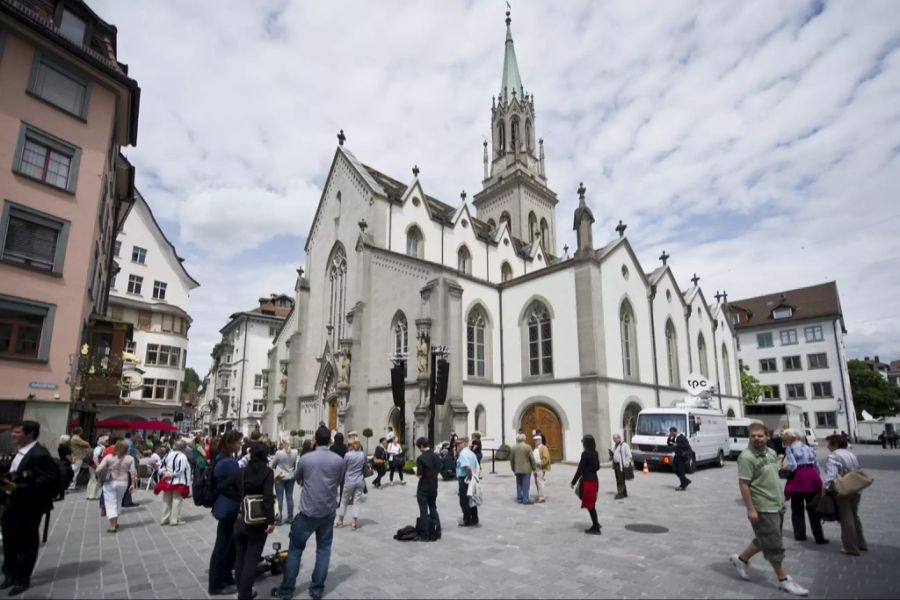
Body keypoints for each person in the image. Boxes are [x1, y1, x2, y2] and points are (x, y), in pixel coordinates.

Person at [729, 422, 808, 596]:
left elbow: (773, 478)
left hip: (776, 504)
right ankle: (784, 580)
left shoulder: (771, 453)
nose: (756, 438)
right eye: (753, 436)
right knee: (774, 545)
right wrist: (750, 509)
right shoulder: (746, 457)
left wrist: (781, 501)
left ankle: (741, 560)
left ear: (767, 436)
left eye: (760, 435)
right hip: (762, 506)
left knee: (766, 537)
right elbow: (743, 484)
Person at [272, 426, 343, 600]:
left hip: (308, 512)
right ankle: (317, 589)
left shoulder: (306, 458)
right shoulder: (338, 460)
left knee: (295, 549)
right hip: (327, 511)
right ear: (330, 441)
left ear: (315, 440)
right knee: (324, 550)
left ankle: (287, 590)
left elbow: (298, 478)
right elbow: (339, 481)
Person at [0, 421, 58, 596]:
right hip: (12, 502)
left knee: (26, 541)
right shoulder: (19, 453)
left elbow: (48, 481)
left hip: (29, 505)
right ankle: (9, 573)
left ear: (30, 433)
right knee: (9, 538)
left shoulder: (40, 454)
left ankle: (22, 578)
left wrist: (18, 488)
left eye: (17, 432)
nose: (13, 435)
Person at [223, 443, 275, 600]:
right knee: (251, 560)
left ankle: (242, 590)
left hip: (240, 519)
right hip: (257, 521)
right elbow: (267, 499)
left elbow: (223, 486)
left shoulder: (242, 472)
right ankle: (244, 595)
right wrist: (271, 521)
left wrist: (238, 496)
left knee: (240, 558)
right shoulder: (267, 472)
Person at [209, 431, 243, 595]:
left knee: (229, 545)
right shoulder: (228, 463)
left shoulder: (222, 458)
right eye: (238, 442)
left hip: (227, 507)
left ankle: (226, 576)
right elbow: (238, 484)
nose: (240, 445)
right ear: (230, 443)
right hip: (228, 507)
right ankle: (216, 584)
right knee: (222, 547)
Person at [822, 434, 868, 556]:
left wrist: (826, 490)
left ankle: (851, 547)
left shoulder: (833, 457)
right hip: (856, 488)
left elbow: (831, 477)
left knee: (846, 518)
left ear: (835, 444)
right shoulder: (850, 454)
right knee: (854, 515)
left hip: (843, 490)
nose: (827, 446)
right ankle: (861, 542)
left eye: (829, 443)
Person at [781, 429, 827, 544]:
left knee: (797, 508)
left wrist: (782, 468)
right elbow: (816, 465)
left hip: (799, 478)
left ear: (790, 438)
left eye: (785, 438)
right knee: (813, 508)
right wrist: (817, 478)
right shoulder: (808, 447)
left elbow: (792, 465)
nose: (784, 440)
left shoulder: (790, 448)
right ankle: (819, 537)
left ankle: (800, 534)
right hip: (812, 476)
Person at [95, 440, 137, 533]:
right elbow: (133, 472)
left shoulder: (109, 457)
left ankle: (112, 526)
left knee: (110, 503)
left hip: (110, 482)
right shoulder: (130, 458)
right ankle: (115, 522)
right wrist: (133, 484)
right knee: (118, 501)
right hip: (123, 483)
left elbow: (98, 469)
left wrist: (104, 472)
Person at [155, 439, 192, 526]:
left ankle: (164, 519)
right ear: (183, 447)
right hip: (178, 481)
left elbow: (161, 466)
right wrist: (171, 475)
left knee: (166, 500)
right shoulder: (182, 456)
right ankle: (174, 520)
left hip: (167, 480)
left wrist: (165, 473)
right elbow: (180, 470)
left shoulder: (168, 455)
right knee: (176, 500)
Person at [571, 434, 601, 534]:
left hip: (588, 482)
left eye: (583, 442)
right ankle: (596, 523)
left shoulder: (585, 454)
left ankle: (596, 527)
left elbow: (580, 469)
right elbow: (598, 467)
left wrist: (573, 482)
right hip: (595, 481)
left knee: (590, 505)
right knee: (591, 504)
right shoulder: (595, 453)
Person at [335, 437, 367, 530]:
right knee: (356, 501)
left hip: (349, 480)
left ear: (351, 445)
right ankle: (354, 522)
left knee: (344, 500)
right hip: (360, 480)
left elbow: (343, 468)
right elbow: (365, 465)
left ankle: (340, 521)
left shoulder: (348, 455)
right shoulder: (363, 454)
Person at [415, 437, 442, 538]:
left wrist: (416, 472)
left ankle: (425, 534)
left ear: (422, 446)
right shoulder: (436, 456)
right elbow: (439, 469)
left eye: (419, 448)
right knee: (433, 508)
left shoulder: (421, 458)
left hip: (423, 487)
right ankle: (437, 530)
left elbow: (419, 475)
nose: (420, 450)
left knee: (423, 511)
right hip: (434, 486)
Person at [270, 440, 299, 525]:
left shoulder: (279, 453)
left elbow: (273, 464)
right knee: (289, 497)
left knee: (279, 498)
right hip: (291, 476)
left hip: (280, 476)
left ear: (282, 443)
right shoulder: (295, 452)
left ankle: (278, 519)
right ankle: (290, 518)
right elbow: (295, 464)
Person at [455, 437, 479, 527]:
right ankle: (475, 518)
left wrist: (468, 478)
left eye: (459, 443)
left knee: (464, 501)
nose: (457, 445)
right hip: (471, 477)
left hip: (464, 478)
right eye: (456, 443)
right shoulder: (471, 453)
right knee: (471, 499)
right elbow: (477, 465)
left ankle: (467, 520)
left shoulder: (463, 454)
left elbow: (467, 467)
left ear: (464, 443)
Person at [510, 432, 536, 504]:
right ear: (524, 439)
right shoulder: (528, 447)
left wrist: (513, 468)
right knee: (526, 485)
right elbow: (532, 458)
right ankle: (525, 499)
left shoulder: (514, 447)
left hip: (517, 468)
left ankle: (519, 498)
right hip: (526, 469)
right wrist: (534, 467)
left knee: (519, 484)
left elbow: (511, 460)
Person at [667, 426, 692, 490]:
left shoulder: (682, 438)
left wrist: (678, 445)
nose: (670, 433)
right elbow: (669, 444)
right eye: (670, 432)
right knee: (674, 468)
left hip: (682, 456)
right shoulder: (674, 437)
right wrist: (669, 438)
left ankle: (683, 485)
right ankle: (685, 481)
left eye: (671, 432)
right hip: (677, 455)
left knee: (681, 471)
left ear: (674, 431)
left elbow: (687, 447)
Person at [610, 433, 633, 500]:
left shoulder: (624, 445)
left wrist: (626, 463)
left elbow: (629, 455)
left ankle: (620, 493)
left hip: (621, 465)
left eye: (615, 438)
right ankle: (624, 493)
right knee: (619, 479)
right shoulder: (615, 445)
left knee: (620, 479)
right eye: (613, 438)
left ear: (619, 438)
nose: (614, 440)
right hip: (616, 465)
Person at [85, 436, 108, 500]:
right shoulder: (100, 448)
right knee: (96, 480)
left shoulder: (99, 447)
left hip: (92, 465)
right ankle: (92, 495)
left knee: (92, 479)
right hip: (94, 465)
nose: (108, 442)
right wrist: (98, 466)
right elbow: (95, 457)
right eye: (106, 441)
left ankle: (89, 494)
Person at [532, 435, 550, 503]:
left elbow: (546, 458)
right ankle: (540, 495)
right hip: (535, 468)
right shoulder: (536, 448)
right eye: (534, 440)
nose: (535, 442)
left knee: (540, 481)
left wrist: (540, 463)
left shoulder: (544, 448)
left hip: (540, 467)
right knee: (537, 481)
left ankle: (542, 497)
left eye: (536, 440)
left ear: (540, 440)